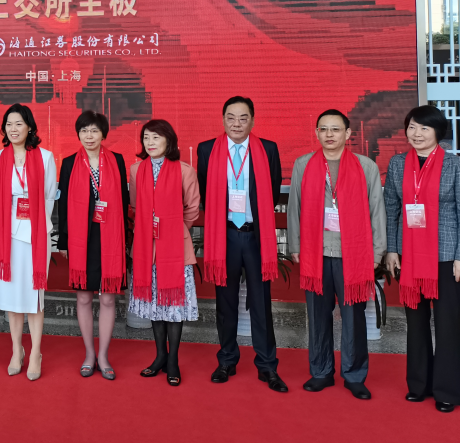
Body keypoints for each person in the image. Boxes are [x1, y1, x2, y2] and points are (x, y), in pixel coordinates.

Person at [287, 109, 386, 399]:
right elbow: (294, 207)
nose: (329, 134)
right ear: (316, 133)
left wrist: (377, 252)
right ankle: (321, 372)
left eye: (335, 129)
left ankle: (354, 375)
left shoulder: (365, 166)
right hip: (315, 253)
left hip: (352, 255)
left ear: (348, 133)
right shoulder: (303, 164)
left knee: (353, 316)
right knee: (317, 316)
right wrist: (295, 246)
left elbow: (376, 211)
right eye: (323, 129)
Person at [384, 105, 460, 413]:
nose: (417, 133)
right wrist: (392, 250)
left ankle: (446, 390)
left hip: (447, 256)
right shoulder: (398, 164)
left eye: (424, 128)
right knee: (416, 324)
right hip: (409, 256)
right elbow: (392, 210)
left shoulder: (455, 164)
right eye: (412, 127)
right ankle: (419, 385)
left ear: (438, 132)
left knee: (448, 325)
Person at [197, 96, 287, 392]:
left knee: (261, 302)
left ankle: (267, 365)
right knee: (225, 302)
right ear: (223, 119)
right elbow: (205, 191)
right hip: (224, 235)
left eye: (243, 118)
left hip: (255, 235)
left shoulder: (268, 149)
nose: (237, 124)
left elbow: (273, 191)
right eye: (231, 117)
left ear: (252, 120)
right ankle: (227, 360)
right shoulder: (207, 149)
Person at [58, 110, 130, 380]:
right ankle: (89, 353)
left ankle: (103, 356)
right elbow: (63, 205)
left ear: (103, 134)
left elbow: (124, 201)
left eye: (94, 131)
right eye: (84, 131)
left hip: (110, 236)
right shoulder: (68, 163)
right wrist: (64, 240)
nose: (89, 136)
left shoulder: (117, 160)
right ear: (78, 134)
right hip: (82, 238)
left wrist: (125, 238)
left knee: (108, 298)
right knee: (84, 297)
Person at [129, 119, 199, 387]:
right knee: (155, 305)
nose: (150, 142)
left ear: (169, 140)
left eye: (156, 137)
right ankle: (160, 356)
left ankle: (173, 361)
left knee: (174, 306)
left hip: (175, 248)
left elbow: (192, 208)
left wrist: (173, 228)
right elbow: (134, 206)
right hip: (147, 248)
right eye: (146, 137)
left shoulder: (184, 171)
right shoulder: (137, 170)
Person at [0, 104, 57, 381]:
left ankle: (36, 353)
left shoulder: (45, 157)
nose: (13, 129)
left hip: (35, 235)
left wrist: (37, 224)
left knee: (34, 296)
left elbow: (49, 196)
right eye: (9, 124)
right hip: (6, 234)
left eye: (18, 123)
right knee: (12, 296)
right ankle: (16, 349)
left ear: (29, 126)